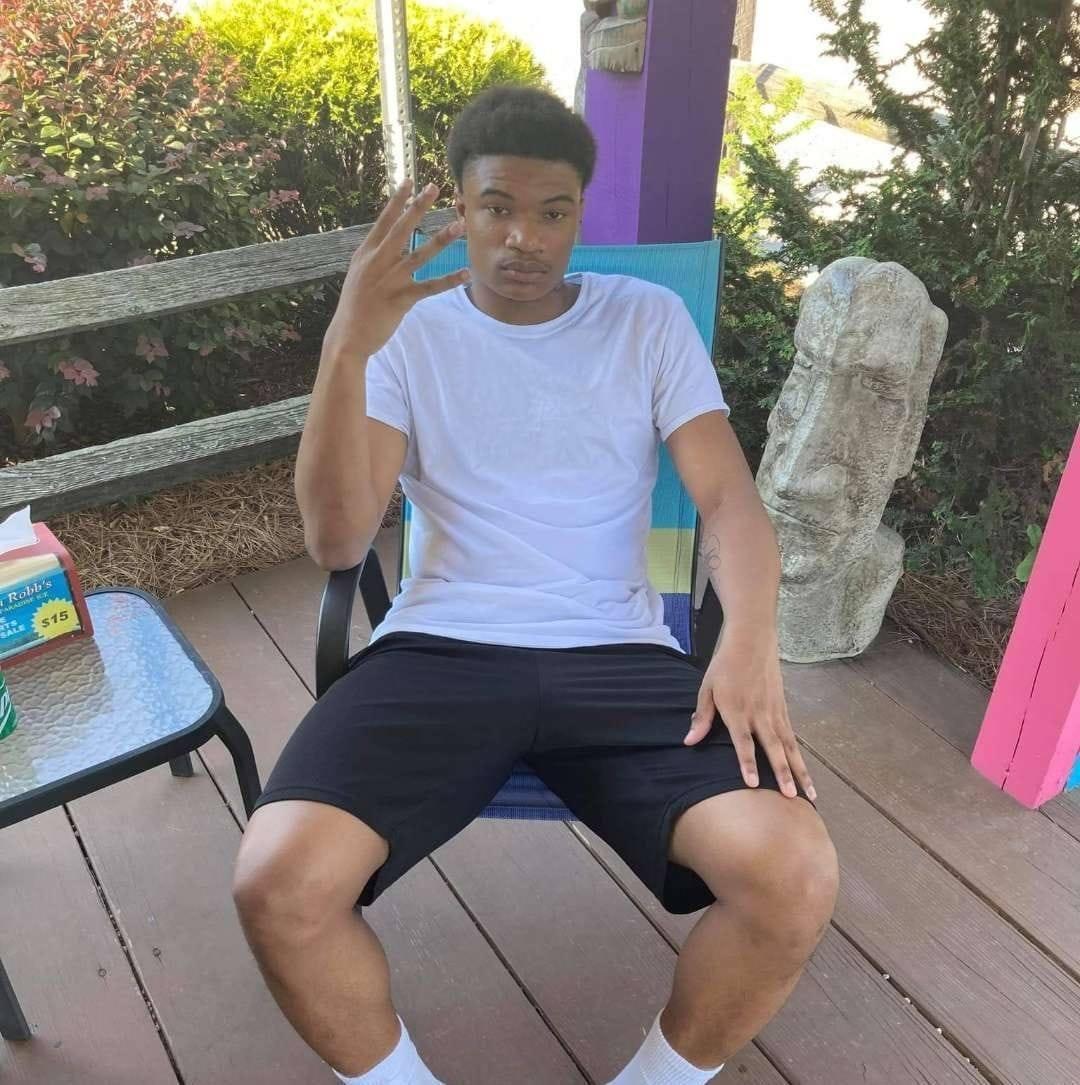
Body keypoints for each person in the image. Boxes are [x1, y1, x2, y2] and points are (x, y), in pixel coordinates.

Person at [231, 85, 838, 1085]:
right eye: (498, 207)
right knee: (276, 881)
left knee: (794, 873)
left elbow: (729, 500)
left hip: (619, 656)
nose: (525, 236)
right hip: (441, 651)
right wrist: (346, 344)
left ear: (580, 212)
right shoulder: (406, 335)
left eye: (553, 211)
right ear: (460, 210)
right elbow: (337, 541)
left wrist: (748, 642)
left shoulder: (646, 320)